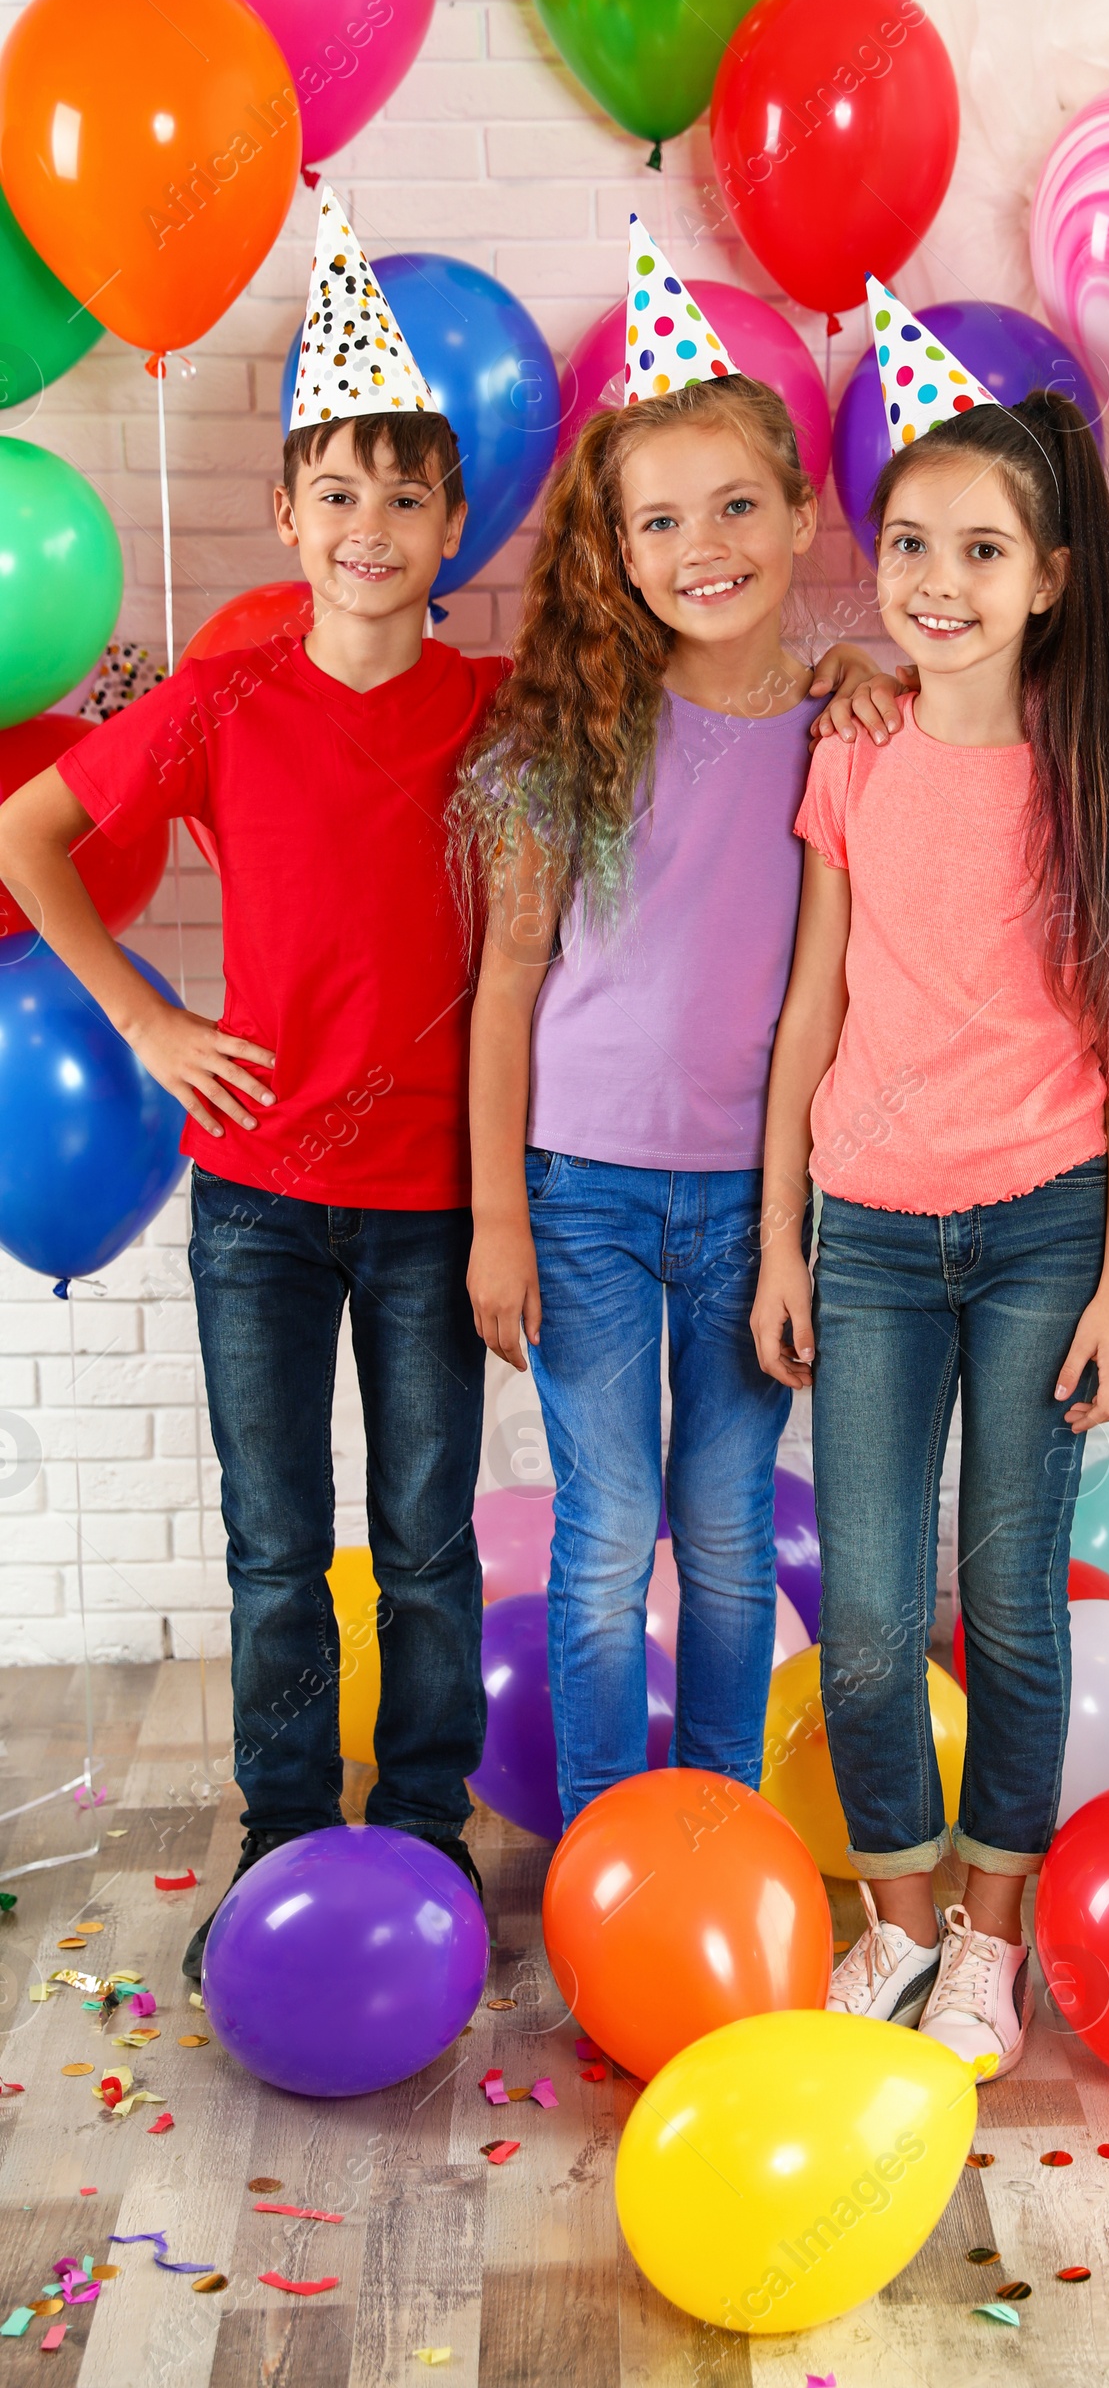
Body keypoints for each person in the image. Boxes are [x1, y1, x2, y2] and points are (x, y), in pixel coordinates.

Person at [0, 194, 505, 1978]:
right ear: (289, 516)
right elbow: (29, 829)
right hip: (265, 1197)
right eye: (338, 493)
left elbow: (685, 726)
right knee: (278, 1544)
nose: (369, 526)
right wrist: (145, 1021)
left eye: (404, 495)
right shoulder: (223, 703)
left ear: (454, 526)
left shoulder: (501, 709)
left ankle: (431, 1829)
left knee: (427, 1538)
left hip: (441, 1202)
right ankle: (288, 1835)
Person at [751, 280, 1109, 2079]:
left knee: (1007, 1598)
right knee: (864, 1616)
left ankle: (993, 1935)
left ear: (1048, 577)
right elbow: (809, 1006)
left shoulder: (1105, 770)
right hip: (865, 1235)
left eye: (980, 549)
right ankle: (899, 1922)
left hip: (1041, 1230)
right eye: (910, 541)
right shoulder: (853, 750)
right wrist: (784, 1237)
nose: (937, 579)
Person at [454, 220, 885, 1825]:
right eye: (660, 521)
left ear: (796, 514)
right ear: (619, 552)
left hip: (759, 1205)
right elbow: (505, 984)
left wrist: (864, 673)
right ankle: (601, 1847)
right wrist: (499, 1218)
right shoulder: (573, 729)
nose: (703, 545)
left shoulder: (849, 724)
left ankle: (708, 1833)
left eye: (735, 507)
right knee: (602, 1531)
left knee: (721, 1535)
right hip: (583, 1194)